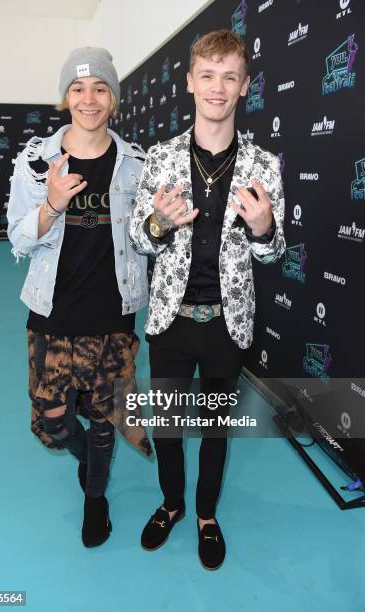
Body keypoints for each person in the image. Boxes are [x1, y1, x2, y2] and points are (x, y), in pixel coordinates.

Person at [130, 29, 285, 570]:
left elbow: (271, 255)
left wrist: (265, 229)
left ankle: (205, 514)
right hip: (170, 320)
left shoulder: (265, 165)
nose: (217, 87)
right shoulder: (162, 157)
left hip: (227, 324)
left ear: (244, 86)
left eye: (230, 76)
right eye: (208, 74)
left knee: (216, 429)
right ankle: (171, 503)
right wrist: (156, 222)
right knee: (168, 427)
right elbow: (136, 238)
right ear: (190, 81)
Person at [7, 47, 151, 548]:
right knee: (51, 424)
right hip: (53, 314)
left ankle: (96, 501)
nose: (89, 99)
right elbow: (19, 239)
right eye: (78, 88)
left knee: (107, 417)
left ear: (113, 98)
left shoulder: (135, 163)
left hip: (114, 315)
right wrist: (51, 204)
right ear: (65, 97)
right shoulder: (36, 159)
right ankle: (89, 456)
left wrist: (162, 223)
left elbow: (147, 238)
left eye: (100, 89)